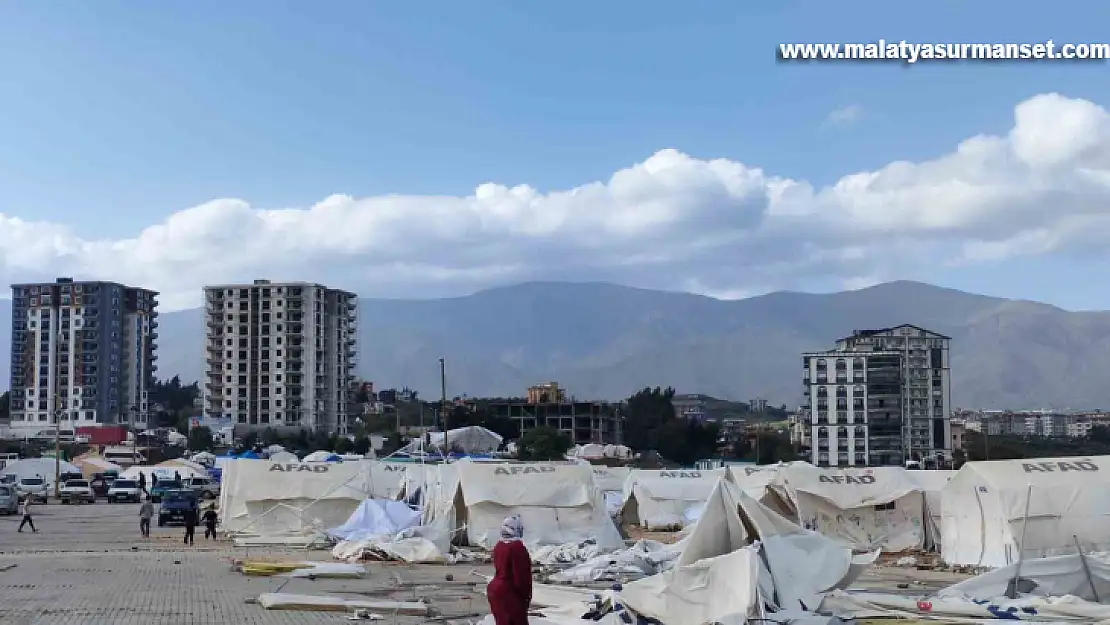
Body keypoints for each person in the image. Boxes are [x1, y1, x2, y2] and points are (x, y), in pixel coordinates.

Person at [486, 516, 531, 625]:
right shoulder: (517, 547)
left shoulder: (499, 546)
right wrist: (526, 596)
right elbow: (521, 577)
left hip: (495, 590)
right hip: (509, 592)